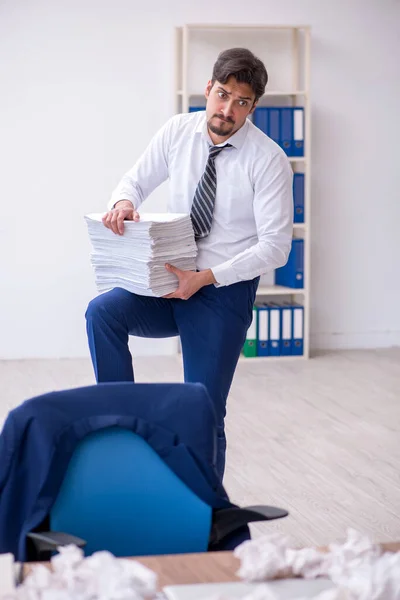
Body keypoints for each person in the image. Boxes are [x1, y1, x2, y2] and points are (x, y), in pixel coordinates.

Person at [86, 47, 293, 480]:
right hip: (169, 278)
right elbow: (135, 179)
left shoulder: (268, 159)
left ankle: (208, 514)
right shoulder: (178, 131)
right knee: (102, 312)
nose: (228, 109)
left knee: (202, 407)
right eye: (222, 95)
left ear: (253, 106)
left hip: (221, 290)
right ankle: (120, 426)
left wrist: (206, 278)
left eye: (242, 102)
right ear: (208, 89)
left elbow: (276, 247)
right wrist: (123, 202)